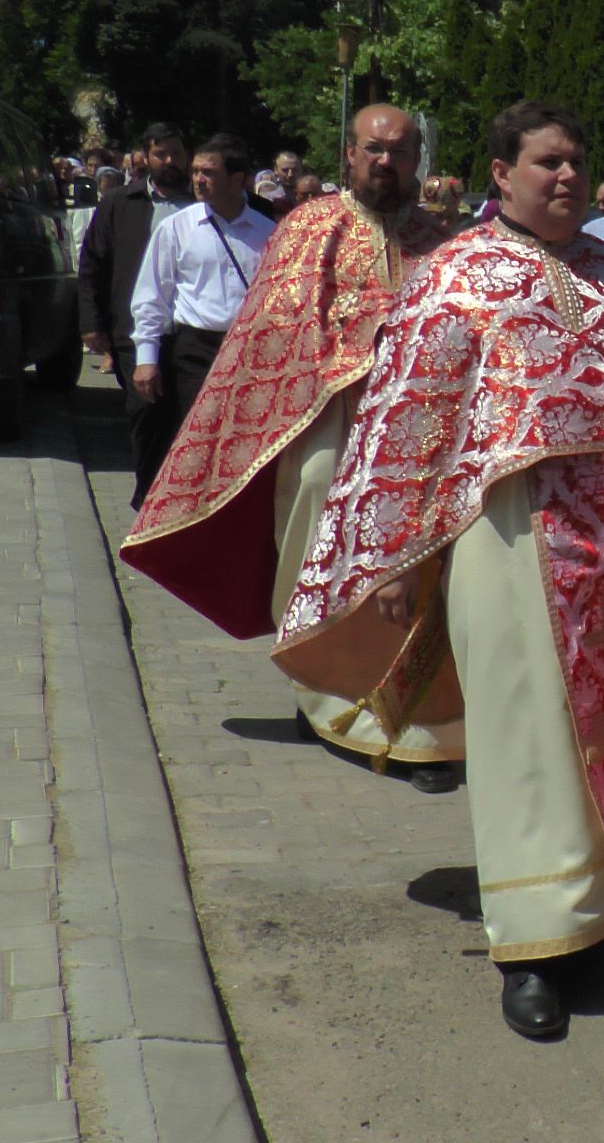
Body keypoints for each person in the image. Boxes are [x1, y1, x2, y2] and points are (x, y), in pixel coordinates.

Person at [271, 101, 604, 1041]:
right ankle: (531, 948)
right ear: (500, 173)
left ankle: (602, 909)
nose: (568, 177)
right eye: (547, 163)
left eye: (578, 162)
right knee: (527, 742)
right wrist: (398, 557)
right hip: (515, 538)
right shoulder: (453, 277)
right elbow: (406, 422)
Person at [122, 105, 464, 791]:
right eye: (374, 150)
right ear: (348, 154)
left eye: (400, 151)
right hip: (330, 411)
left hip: (421, 427)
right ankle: (322, 686)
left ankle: (417, 720)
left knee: (433, 544)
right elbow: (279, 333)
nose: (386, 163)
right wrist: (365, 350)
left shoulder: (440, 239)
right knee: (313, 491)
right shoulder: (310, 229)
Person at [127, 134, 275, 505]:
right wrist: (146, 359)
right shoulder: (177, 227)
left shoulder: (268, 233)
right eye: (195, 172)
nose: (198, 180)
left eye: (208, 172)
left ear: (238, 179)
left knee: (241, 440)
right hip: (193, 350)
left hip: (248, 352)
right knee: (196, 437)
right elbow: (151, 295)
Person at [81, 123, 191, 456]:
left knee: (182, 414)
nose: (169, 161)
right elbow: (93, 263)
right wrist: (91, 323)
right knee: (144, 410)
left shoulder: (200, 203)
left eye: (176, 154)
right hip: (132, 329)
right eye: (161, 154)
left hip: (188, 330)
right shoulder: (121, 202)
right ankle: (147, 490)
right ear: (145, 156)